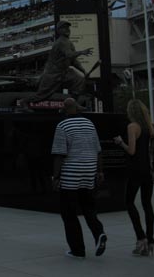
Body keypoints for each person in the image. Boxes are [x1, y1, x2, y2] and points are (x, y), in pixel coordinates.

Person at [51, 97, 107, 258]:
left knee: (69, 213)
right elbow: (98, 150)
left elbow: (59, 154)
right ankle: (99, 233)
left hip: (70, 175)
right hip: (89, 172)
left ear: (64, 109)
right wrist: (100, 171)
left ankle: (77, 249)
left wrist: (56, 177)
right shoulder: (89, 124)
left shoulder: (63, 125)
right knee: (89, 207)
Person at [114, 99, 154, 256]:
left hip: (135, 170)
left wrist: (120, 142)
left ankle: (140, 237)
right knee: (147, 205)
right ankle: (150, 240)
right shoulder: (148, 128)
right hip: (147, 170)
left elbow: (131, 151)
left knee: (129, 202)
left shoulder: (132, 127)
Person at [22, 21, 93, 108]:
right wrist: (82, 52)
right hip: (53, 74)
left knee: (79, 80)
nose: (67, 30)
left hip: (65, 72)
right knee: (42, 96)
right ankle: (24, 102)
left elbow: (73, 61)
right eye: (64, 28)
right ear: (59, 30)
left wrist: (84, 71)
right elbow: (69, 54)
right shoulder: (61, 42)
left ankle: (73, 104)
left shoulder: (68, 42)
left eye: (68, 28)